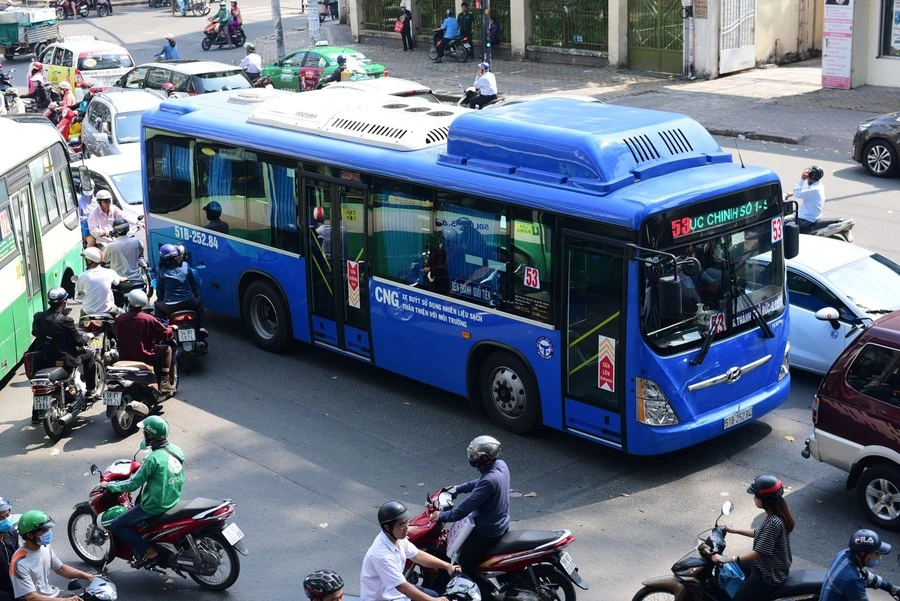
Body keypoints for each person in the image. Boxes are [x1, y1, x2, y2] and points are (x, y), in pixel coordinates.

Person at [100, 416, 185, 568]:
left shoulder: (152, 459)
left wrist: (110, 485)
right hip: (173, 498)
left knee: (117, 524)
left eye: (144, 432)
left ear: (150, 435)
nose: (143, 435)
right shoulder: (176, 450)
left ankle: (148, 551)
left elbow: (133, 484)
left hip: (155, 505)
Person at [434, 435, 509, 600]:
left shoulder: (490, 481)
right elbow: (479, 482)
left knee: (463, 564)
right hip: (501, 523)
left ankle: (486, 596)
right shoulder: (499, 466)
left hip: (488, 531)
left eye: (475, 455)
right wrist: (458, 489)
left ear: (484, 457)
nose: (472, 457)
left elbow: (460, 511)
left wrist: (440, 515)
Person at [711, 475, 795, 601]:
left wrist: (726, 559)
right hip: (768, 565)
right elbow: (759, 532)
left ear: (765, 499)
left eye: (756, 495)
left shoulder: (773, 522)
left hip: (769, 574)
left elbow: (759, 553)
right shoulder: (776, 515)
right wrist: (735, 530)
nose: (754, 498)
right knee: (735, 568)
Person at [361, 500, 458, 601]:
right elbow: (401, 586)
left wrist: (447, 566)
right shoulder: (382, 556)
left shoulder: (397, 538)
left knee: (433, 594)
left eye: (407, 521)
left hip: (396, 592)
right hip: (386, 597)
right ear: (387, 528)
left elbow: (417, 555)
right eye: (402, 525)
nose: (407, 527)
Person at [31, 287, 100, 402]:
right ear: (64, 302)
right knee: (89, 355)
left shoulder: (38, 317)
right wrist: (87, 337)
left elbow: (34, 332)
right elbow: (79, 341)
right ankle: (90, 391)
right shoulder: (66, 320)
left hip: (43, 360)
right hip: (62, 360)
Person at [10, 510, 95, 601]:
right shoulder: (19, 563)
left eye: (48, 529)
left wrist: (87, 576)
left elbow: (61, 569)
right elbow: (31, 597)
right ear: (30, 535)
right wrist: (65, 600)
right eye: (44, 531)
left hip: (52, 593)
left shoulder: (45, 547)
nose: (48, 533)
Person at [114, 290, 176, 392]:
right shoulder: (149, 319)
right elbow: (165, 334)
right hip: (145, 355)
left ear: (129, 302)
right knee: (167, 349)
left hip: (124, 356)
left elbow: (115, 332)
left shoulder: (120, 319)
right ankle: (164, 381)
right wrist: (172, 329)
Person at [820, 529, 900, 601]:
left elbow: (864, 575)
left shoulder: (844, 554)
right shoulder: (853, 581)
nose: (878, 558)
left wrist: (890, 588)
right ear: (862, 554)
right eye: (876, 554)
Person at [154, 244, 207, 332]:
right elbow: (193, 284)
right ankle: (201, 327)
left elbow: (160, 290)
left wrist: (160, 300)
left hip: (171, 306)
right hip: (189, 302)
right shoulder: (185, 265)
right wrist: (196, 295)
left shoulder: (160, 270)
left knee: (157, 305)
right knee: (199, 302)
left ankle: (162, 330)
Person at [75, 246, 125, 315]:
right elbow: (119, 280)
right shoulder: (110, 272)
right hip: (108, 310)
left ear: (89, 261)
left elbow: (80, 291)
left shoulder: (83, 275)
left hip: (88, 311)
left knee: (82, 317)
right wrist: (127, 278)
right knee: (119, 315)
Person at [104, 217, 145, 285]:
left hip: (119, 280)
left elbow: (104, 260)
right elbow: (141, 251)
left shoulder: (111, 246)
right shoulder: (136, 241)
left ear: (115, 231)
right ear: (128, 229)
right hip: (137, 278)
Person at [792, 165, 825, 231]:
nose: (807, 179)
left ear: (811, 177)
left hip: (805, 219)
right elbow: (807, 193)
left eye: (807, 177)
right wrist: (792, 193)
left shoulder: (814, 189)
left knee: (781, 223)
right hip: (813, 216)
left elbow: (796, 193)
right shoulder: (819, 185)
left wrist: (802, 179)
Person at [0, 497, 19, 601]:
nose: (6, 520)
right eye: (1, 518)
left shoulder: (11, 532)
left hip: (12, 581)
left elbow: (17, 557)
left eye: (7, 515)